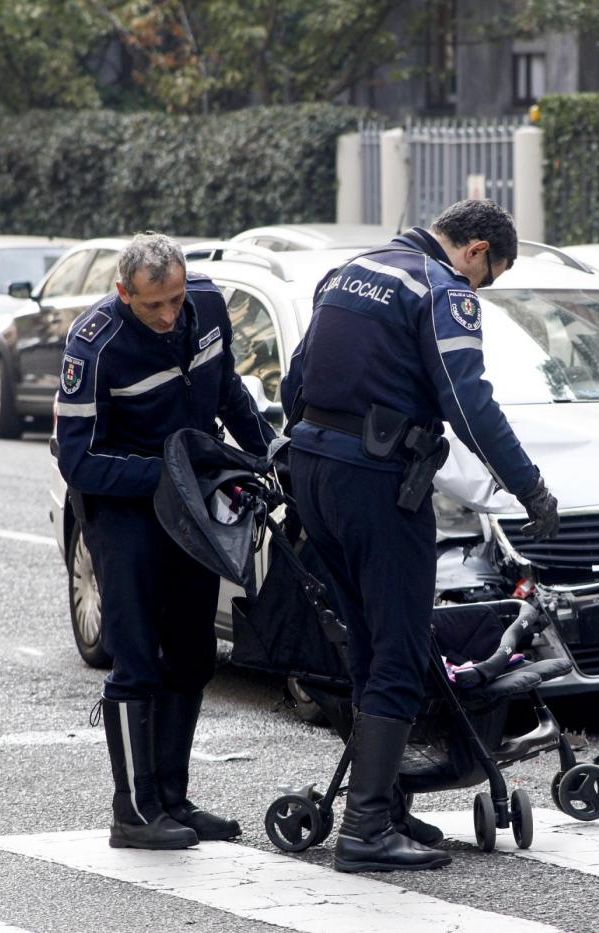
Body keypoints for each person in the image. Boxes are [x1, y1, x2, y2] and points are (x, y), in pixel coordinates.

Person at [278, 199, 559, 873]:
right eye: (486, 277)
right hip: (376, 482)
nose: (478, 290)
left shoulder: (351, 271)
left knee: (366, 643)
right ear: (477, 249)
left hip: (313, 470)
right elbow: (469, 403)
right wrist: (529, 488)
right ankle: (367, 826)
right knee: (401, 646)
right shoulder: (441, 290)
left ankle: (388, 802)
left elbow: (294, 381)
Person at [56, 233, 277, 850]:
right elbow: (79, 461)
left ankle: (172, 800)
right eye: (154, 304)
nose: (168, 315)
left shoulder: (205, 306)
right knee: (136, 660)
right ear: (123, 292)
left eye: (175, 300)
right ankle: (133, 811)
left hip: (190, 508)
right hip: (123, 510)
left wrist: (266, 452)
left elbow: (227, 388)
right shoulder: (92, 346)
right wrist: (169, 474)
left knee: (191, 653)